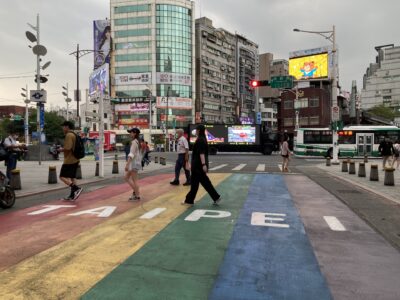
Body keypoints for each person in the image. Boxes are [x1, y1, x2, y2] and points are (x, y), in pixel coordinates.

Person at [182, 124, 221, 206]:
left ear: (199, 131)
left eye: (196, 130)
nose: (195, 131)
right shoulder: (203, 139)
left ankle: (189, 201)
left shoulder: (200, 140)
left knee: (197, 184)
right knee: (204, 183)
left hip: (198, 166)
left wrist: (203, 164)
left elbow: (201, 153)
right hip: (199, 166)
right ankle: (216, 197)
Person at [58, 121, 83, 201]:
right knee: (72, 177)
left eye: (63, 126)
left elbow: (68, 148)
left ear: (67, 127)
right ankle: (72, 195)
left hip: (69, 160)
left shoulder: (69, 135)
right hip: (76, 159)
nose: (62, 128)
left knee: (62, 176)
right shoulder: (75, 134)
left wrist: (61, 149)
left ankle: (76, 188)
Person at [124, 128, 142, 201]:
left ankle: (137, 195)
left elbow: (131, 154)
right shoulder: (137, 141)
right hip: (136, 163)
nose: (130, 134)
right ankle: (136, 193)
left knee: (134, 180)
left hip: (133, 163)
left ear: (134, 133)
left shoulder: (134, 142)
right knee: (126, 178)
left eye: (131, 132)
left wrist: (127, 164)